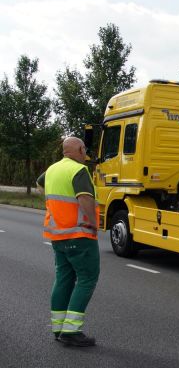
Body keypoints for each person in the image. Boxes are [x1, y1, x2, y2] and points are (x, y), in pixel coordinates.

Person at [37, 137, 100, 347]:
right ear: (81, 149)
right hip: (79, 235)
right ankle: (71, 332)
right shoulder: (78, 171)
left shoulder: (53, 169)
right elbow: (85, 198)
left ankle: (58, 328)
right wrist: (93, 223)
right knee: (87, 278)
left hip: (58, 235)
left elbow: (39, 183)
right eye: (85, 149)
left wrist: (51, 206)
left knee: (63, 279)